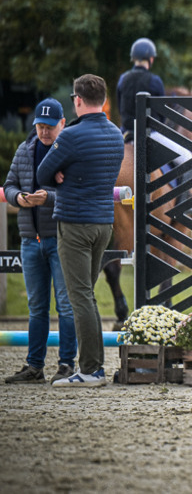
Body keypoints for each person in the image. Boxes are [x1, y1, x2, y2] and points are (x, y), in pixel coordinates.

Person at [37, 75, 125, 387]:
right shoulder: (116, 134)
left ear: (77, 100)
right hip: (103, 223)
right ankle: (93, 366)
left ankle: (91, 370)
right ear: (102, 99)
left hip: (74, 223)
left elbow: (43, 173)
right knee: (86, 296)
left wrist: (64, 174)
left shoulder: (71, 135)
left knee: (80, 297)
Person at [2, 98, 77, 385]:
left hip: (59, 238)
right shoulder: (24, 150)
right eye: (40, 126)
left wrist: (49, 198)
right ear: (35, 125)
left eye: (49, 126)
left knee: (65, 306)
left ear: (62, 124)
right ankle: (35, 366)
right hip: (30, 240)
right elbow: (9, 185)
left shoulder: (69, 153)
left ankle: (67, 364)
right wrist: (18, 198)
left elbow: (76, 193)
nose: (44, 132)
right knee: (36, 308)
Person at [116, 37, 165, 142]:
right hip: (152, 134)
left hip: (125, 133)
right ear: (151, 59)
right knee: (186, 155)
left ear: (133, 58)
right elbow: (162, 114)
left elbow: (120, 108)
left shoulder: (122, 79)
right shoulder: (155, 81)